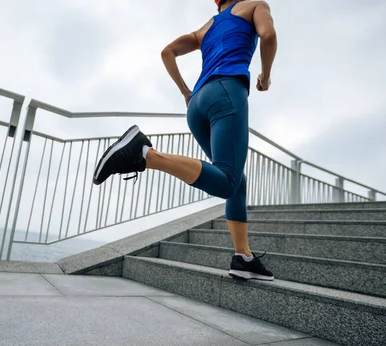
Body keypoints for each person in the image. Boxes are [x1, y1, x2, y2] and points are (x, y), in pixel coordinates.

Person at [93, 0, 277, 281]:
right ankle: (144, 154)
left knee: (237, 182)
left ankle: (244, 257)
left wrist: (185, 92)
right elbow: (268, 35)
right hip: (227, 91)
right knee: (228, 180)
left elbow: (167, 52)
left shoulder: (206, 29)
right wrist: (265, 76)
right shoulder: (254, 5)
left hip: (197, 105)